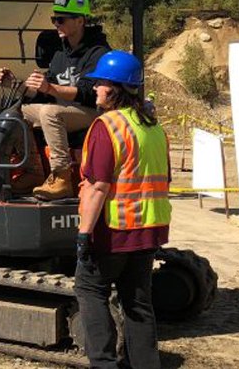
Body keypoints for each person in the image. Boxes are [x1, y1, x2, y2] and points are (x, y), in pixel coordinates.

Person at [74, 50, 169, 369]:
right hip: (148, 232)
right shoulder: (153, 127)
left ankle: (103, 364)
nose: (96, 89)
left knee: (89, 290)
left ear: (115, 88)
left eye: (100, 83)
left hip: (112, 232)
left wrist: (84, 234)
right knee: (138, 304)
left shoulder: (107, 126)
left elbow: (97, 186)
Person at [0, 0, 110, 200]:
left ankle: (61, 177)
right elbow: (44, 93)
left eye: (61, 19)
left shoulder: (99, 52)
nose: (56, 24)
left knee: (50, 112)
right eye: (54, 19)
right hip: (63, 111)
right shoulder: (60, 53)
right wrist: (16, 85)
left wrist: (49, 88)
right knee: (18, 112)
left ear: (80, 20)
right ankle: (33, 171)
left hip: (93, 112)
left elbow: (87, 93)